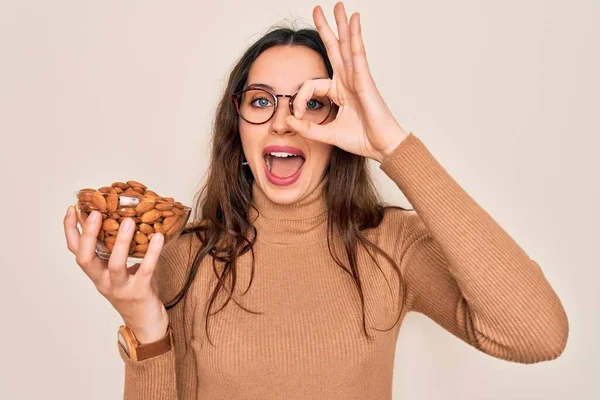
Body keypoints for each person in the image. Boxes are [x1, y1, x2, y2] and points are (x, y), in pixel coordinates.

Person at [63, 2, 569, 399]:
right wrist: (146, 327)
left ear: (338, 126)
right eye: (261, 101)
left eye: (313, 103)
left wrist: (390, 144)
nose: (284, 121)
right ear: (235, 125)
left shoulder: (391, 245)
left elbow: (538, 335)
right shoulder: (184, 257)